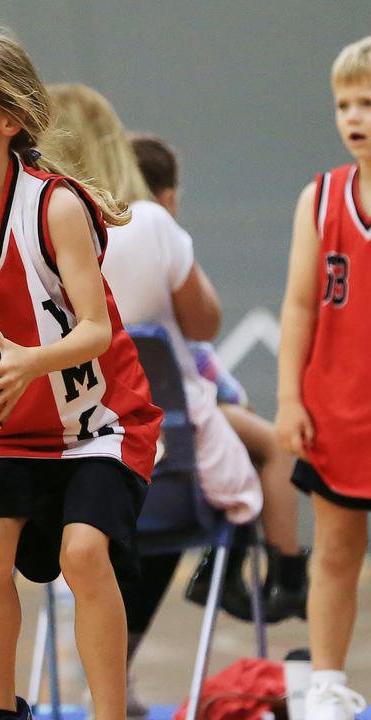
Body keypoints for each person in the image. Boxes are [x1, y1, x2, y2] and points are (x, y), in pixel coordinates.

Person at [0, 28, 162, 720]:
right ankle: (0, 709)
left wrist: (25, 361)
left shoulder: (56, 207)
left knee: (83, 553)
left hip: (101, 423)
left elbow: (97, 331)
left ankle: (108, 712)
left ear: (8, 120)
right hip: (12, 428)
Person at [45, 82, 263, 719]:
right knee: (177, 507)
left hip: (58, 467)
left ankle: (97, 687)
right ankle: (280, 572)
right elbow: (204, 324)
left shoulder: (23, 236)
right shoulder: (148, 223)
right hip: (158, 464)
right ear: (111, 142)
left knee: (122, 531)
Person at [129, 132, 307, 625]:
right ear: (166, 199)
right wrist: (238, 402)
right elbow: (199, 356)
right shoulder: (159, 244)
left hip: (114, 452)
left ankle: (220, 566)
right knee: (270, 445)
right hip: (172, 447)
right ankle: (289, 572)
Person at [276, 35, 371, 720]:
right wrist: (287, 397)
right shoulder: (322, 197)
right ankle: (327, 683)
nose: (354, 115)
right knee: (335, 553)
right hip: (337, 407)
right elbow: (300, 304)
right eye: (344, 103)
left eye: (367, 101)